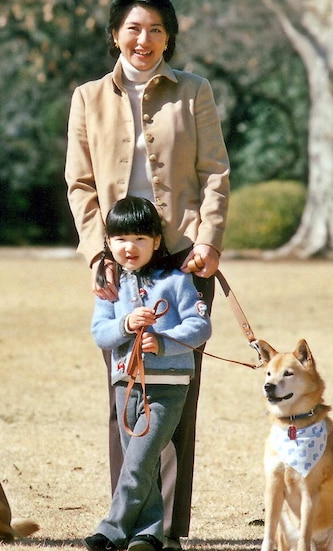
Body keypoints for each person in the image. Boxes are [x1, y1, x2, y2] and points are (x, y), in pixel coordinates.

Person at [65, 0, 230, 550]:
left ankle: (168, 532)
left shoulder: (194, 92)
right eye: (133, 28)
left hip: (184, 261)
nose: (144, 39)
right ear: (115, 34)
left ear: (169, 38)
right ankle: (128, 523)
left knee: (177, 393)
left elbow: (214, 173)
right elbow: (80, 183)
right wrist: (97, 254)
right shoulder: (88, 97)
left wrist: (207, 242)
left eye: (156, 29)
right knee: (124, 395)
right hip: (120, 260)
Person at [85, 196, 212, 551]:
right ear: (108, 242)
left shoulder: (177, 280)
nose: (130, 247)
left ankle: (111, 529)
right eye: (121, 238)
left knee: (139, 460)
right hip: (126, 386)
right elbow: (100, 333)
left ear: (156, 242)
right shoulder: (110, 288)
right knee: (141, 462)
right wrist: (125, 323)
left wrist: (164, 341)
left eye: (140, 238)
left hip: (168, 388)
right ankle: (149, 533)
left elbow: (200, 327)